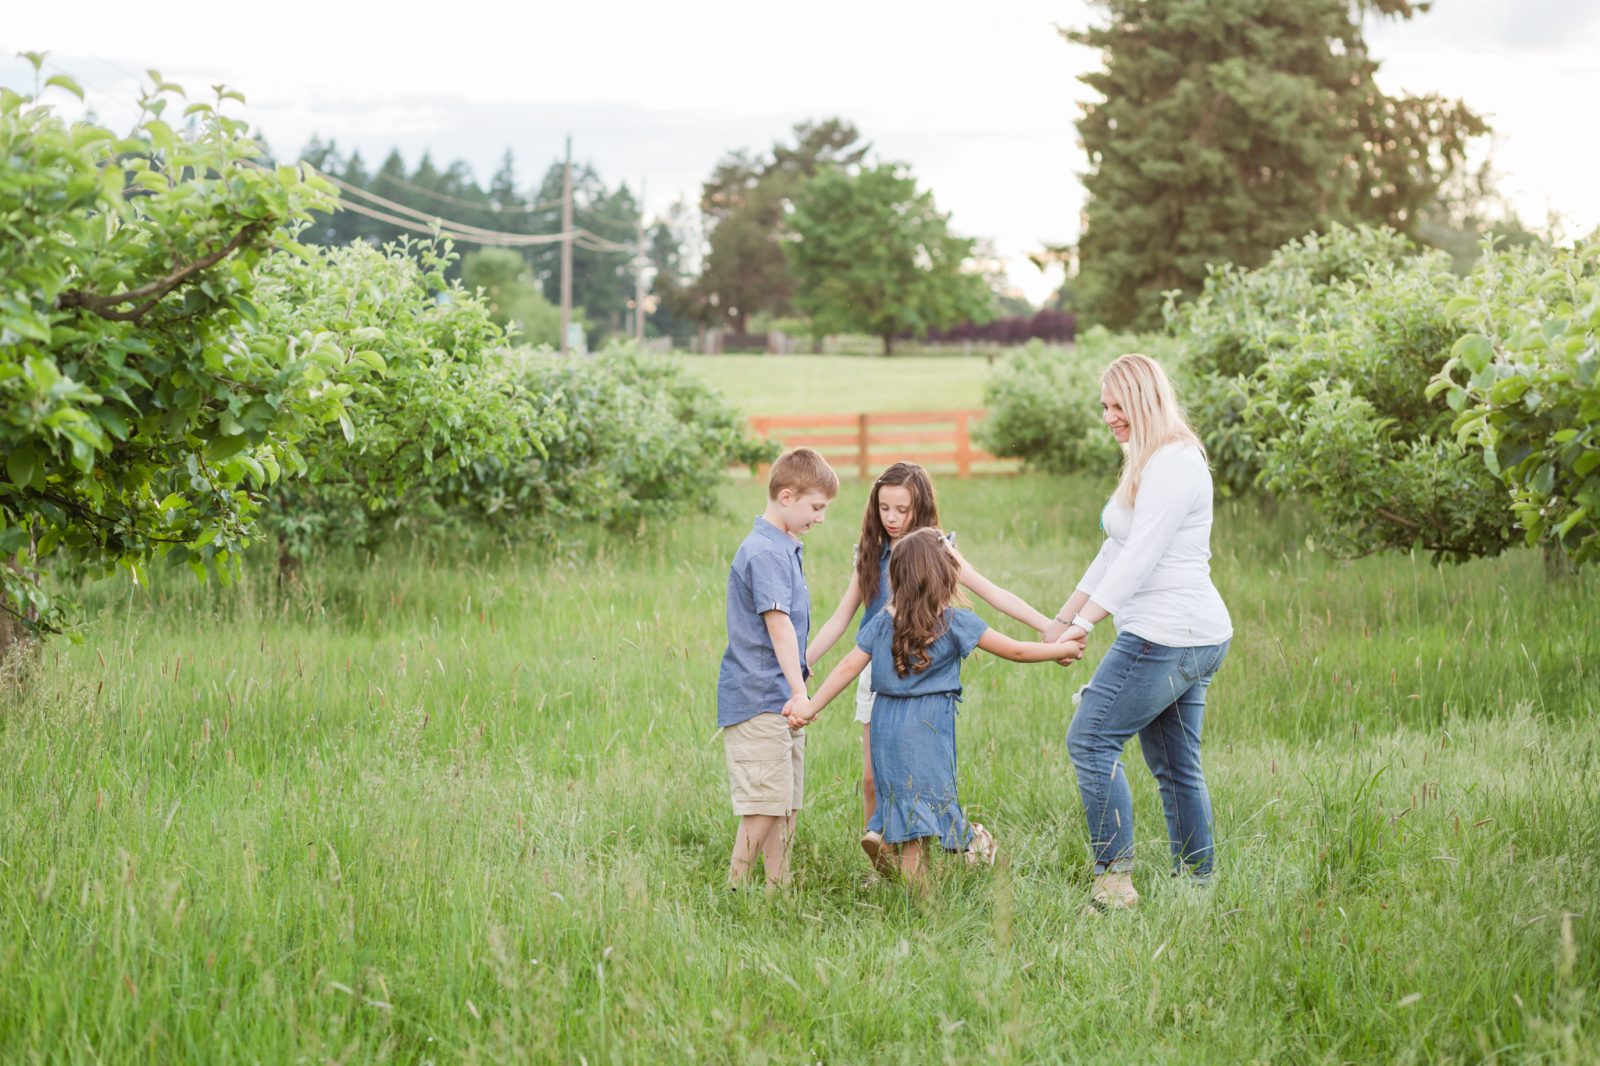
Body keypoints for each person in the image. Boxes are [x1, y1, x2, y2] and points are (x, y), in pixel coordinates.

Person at [787, 528, 1083, 888]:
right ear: (944, 576)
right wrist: (1060, 651)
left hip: (886, 728)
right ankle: (926, 904)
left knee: (903, 805)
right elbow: (1016, 650)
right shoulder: (955, 623)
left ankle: (887, 835)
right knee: (924, 810)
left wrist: (809, 706)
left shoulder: (883, 622)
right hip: (927, 729)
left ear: (896, 577)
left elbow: (849, 667)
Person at [1044, 353, 1233, 911]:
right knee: (1175, 763)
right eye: (1103, 406)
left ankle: (1114, 882)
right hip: (1188, 635)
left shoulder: (1175, 462)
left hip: (1168, 635)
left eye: (1117, 405)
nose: (1108, 417)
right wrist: (1061, 619)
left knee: (1090, 739)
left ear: (1145, 399)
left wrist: (1083, 625)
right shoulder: (1146, 458)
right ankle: (1196, 888)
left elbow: (1141, 559)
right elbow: (1115, 549)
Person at [805, 462, 1052, 852]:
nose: (892, 518)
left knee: (922, 778)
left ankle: (960, 842)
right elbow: (840, 619)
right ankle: (880, 853)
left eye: (902, 510)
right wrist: (804, 662)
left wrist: (1049, 626)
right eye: (884, 508)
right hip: (877, 670)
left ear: (919, 507)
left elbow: (993, 593)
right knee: (874, 778)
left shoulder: (936, 550)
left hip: (921, 675)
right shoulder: (870, 553)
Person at [718, 447, 838, 888]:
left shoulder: (783, 547)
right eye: (816, 507)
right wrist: (799, 691)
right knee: (764, 804)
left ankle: (777, 890)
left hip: (780, 697)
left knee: (783, 802)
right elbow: (779, 627)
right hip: (760, 698)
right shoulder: (765, 552)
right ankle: (734, 887)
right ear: (787, 497)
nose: (820, 518)